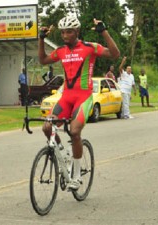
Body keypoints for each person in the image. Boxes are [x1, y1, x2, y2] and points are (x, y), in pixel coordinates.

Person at [38, 16, 120, 190]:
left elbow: (115, 54)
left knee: (75, 132)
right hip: (66, 97)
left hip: (83, 97)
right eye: (62, 32)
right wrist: (41, 38)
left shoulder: (89, 48)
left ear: (77, 32)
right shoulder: (61, 51)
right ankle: (62, 152)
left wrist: (103, 31)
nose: (65, 35)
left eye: (69, 31)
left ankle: (76, 176)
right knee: (47, 127)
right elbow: (43, 60)